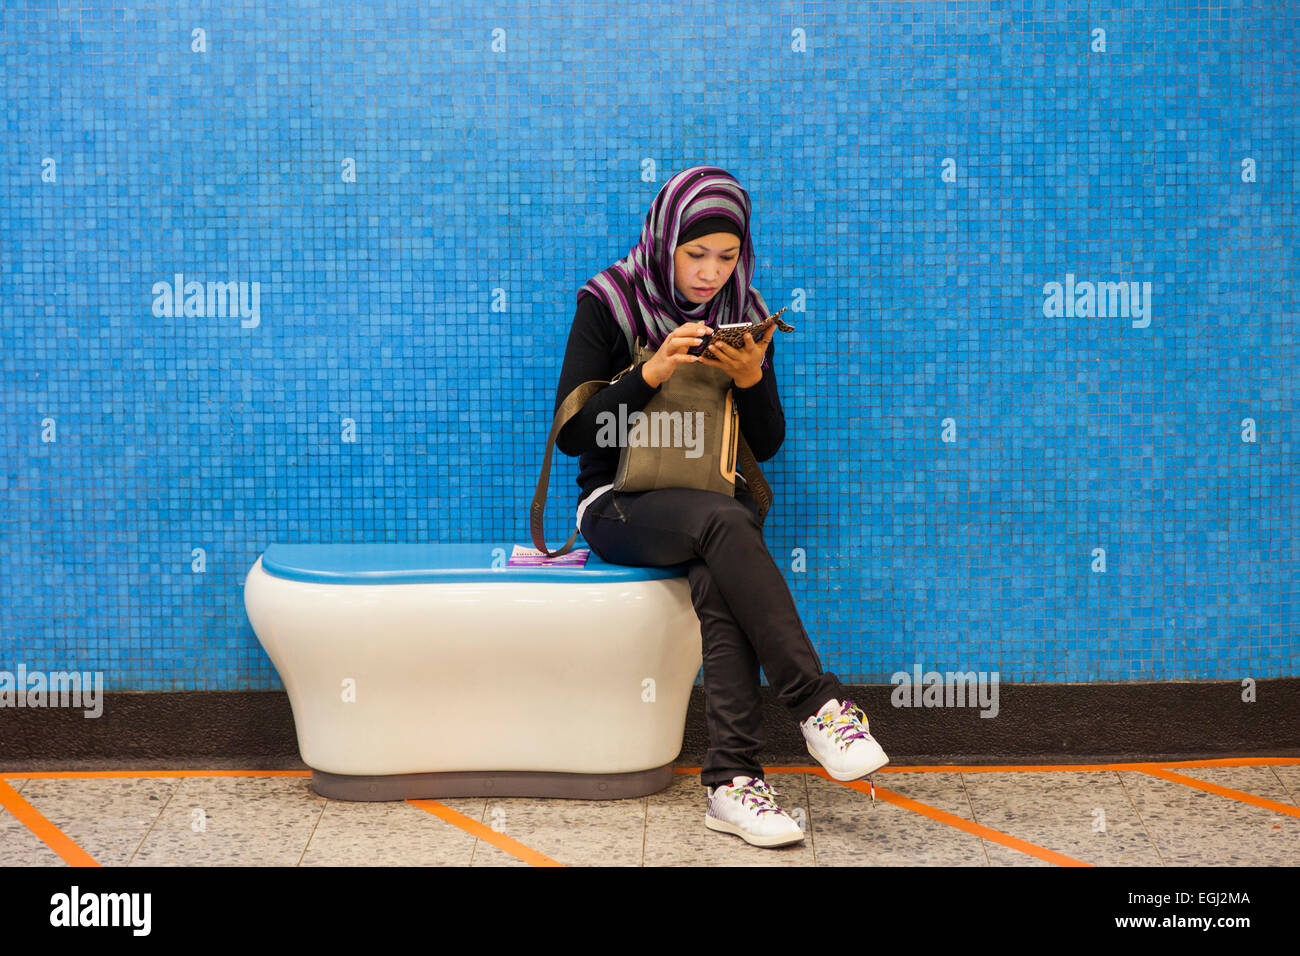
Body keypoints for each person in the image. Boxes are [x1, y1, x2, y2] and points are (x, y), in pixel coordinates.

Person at [552, 165, 889, 849]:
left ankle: (732, 785)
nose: (711, 274)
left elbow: (765, 441)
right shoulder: (609, 302)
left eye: (727, 256)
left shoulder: (744, 307)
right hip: (618, 506)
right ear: (664, 240)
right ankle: (816, 702)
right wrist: (650, 373)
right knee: (724, 521)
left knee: (719, 563)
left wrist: (752, 377)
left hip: (711, 507)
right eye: (695, 254)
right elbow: (574, 436)